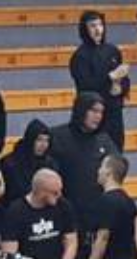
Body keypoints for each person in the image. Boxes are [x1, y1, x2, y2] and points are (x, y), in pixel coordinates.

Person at [48, 92, 120, 233]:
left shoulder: (104, 139)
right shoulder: (58, 136)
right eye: (93, 111)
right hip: (66, 211)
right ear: (81, 110)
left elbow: (118, 165)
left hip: (96, 211)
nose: (98, 116)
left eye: (101, 112)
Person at [0, 169, 79, 259]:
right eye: (55, 192)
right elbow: (9, 253)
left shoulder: (63, 206)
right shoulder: (16, 211)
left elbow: (71, 242)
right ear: (41, 192)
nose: (59, 195)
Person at [67, 11, 129, 150]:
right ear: (85, 30)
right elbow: (85, 86)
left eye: (100, 25)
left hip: (114, 114)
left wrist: (121, 88)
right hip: (92, 115)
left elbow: (125, 80)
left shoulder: (113, 51)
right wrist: (110, 78)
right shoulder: (79, 56)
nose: (98, 29)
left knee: (116, 153)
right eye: (93, 26)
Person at [86, 154, 137, 259]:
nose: (98, 171)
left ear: (108, 172)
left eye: (101, 167)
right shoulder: (129, 201)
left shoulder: (107, 201)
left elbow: (103, 237)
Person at [1, 120, 57, 200]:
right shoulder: (10, 163)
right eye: (39, 139)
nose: (43, 145)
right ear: (30, 139)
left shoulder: (50, 164)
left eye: (47, 140)